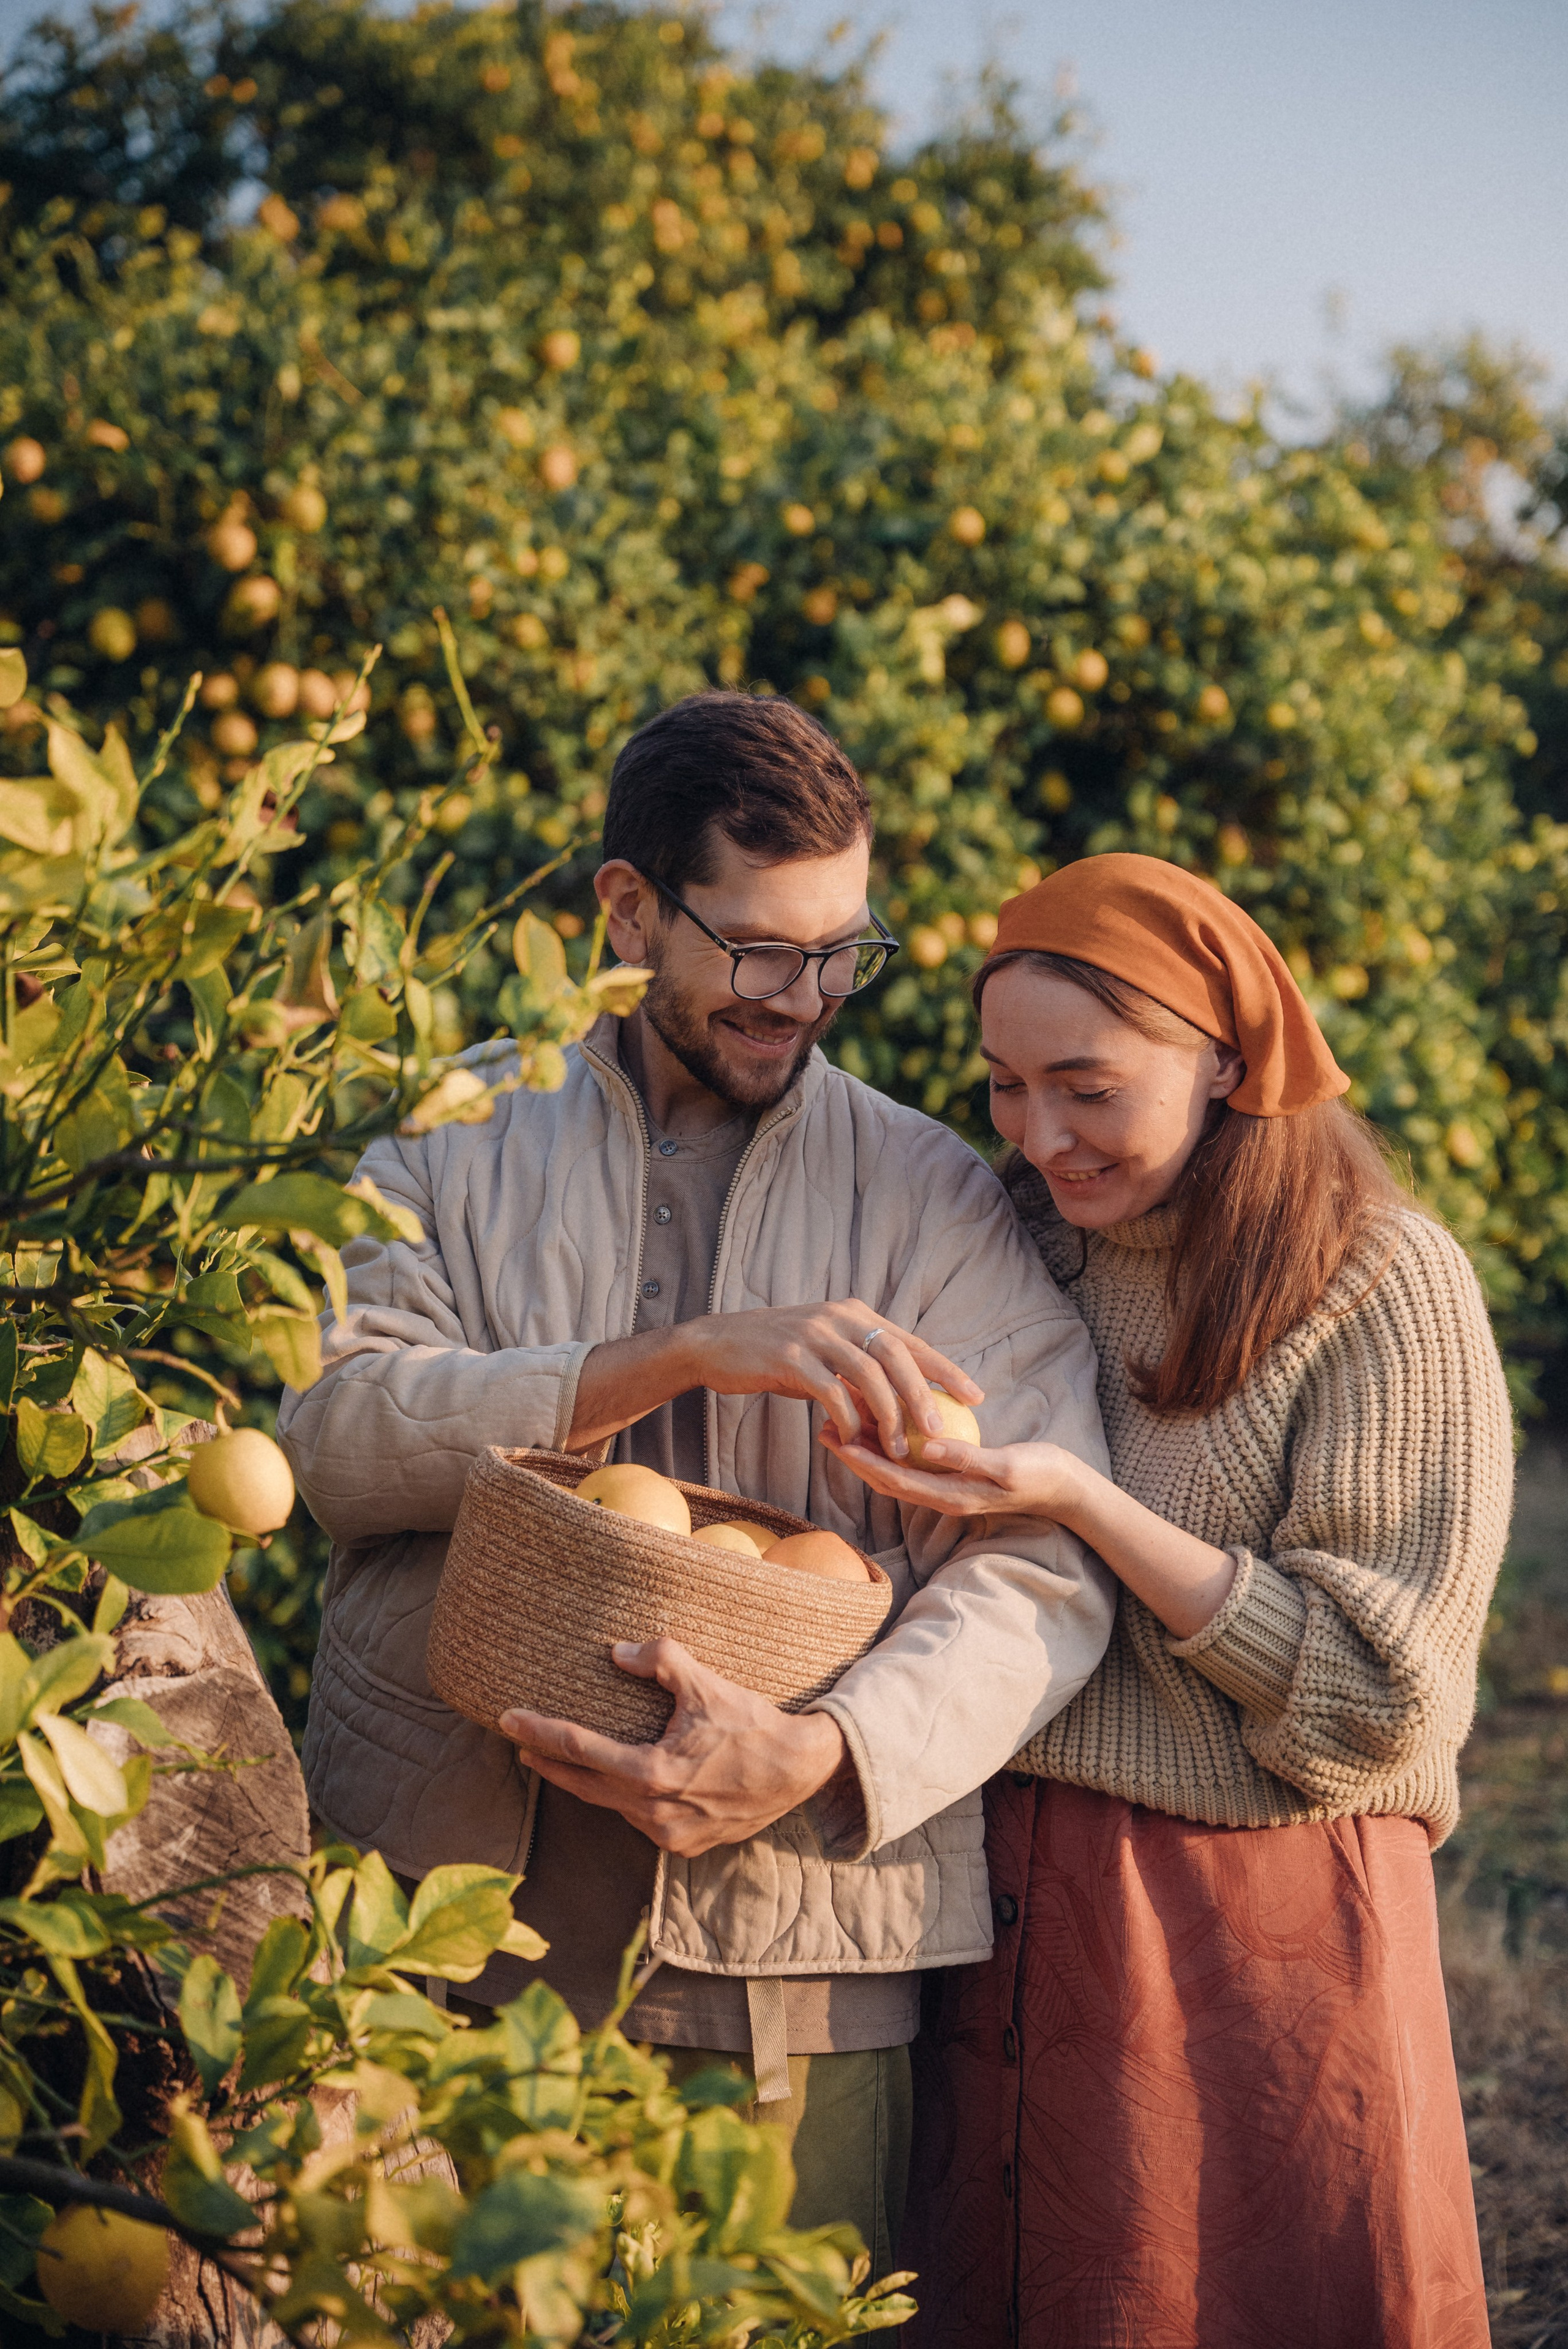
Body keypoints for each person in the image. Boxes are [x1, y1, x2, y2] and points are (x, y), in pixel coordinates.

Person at [277, 692, 1115, 2274]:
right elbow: (332, 1435)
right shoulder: (453, 1132)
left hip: (798, 1939)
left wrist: (828, 1747)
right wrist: (672, 1358)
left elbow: (1046, 1559)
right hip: (449, 1927)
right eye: (757, 950)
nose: (804, 998)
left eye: (840, 953)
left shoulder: (929, 1195)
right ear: (627, 909)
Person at [824, 853, 1510, 2348]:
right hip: (1001, 1888)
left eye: (1085, 1084)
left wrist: (1085, 1504)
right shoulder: (1013, 1240)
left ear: (1218, 1054)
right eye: (1004, 1085)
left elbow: (1384, 1696)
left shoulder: (1373, 1277)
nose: (1040, 1133)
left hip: (1245, 1907)